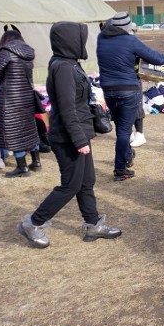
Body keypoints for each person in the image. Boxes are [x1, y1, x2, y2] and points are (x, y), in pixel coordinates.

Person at [17, 21, 121, 248]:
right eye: (80, 38)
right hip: (68, 137)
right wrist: (79, 139)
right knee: (71, 184)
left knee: (87, 181)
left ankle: (93, 224)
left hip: (79, 133)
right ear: (69, 41)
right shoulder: (63, 67)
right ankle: (33, 222)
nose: (83, 43)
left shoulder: (70, 63)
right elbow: (66, 108)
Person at [97, 12, 164, 181]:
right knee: (124, 131)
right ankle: (120, 169)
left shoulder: (100, 38)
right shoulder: (130, 41)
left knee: (120, 127)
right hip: (128, 90)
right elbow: (154, 57)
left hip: (108, 90)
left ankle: (128, 154)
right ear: (127, 27)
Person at [0, 29, 41, 177]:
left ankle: (22, 167)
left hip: (10, 99)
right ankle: (36, 162)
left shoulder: (6, 51)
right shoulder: (29, 53)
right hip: (27, 97)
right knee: (30, 129)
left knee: (14, 132)